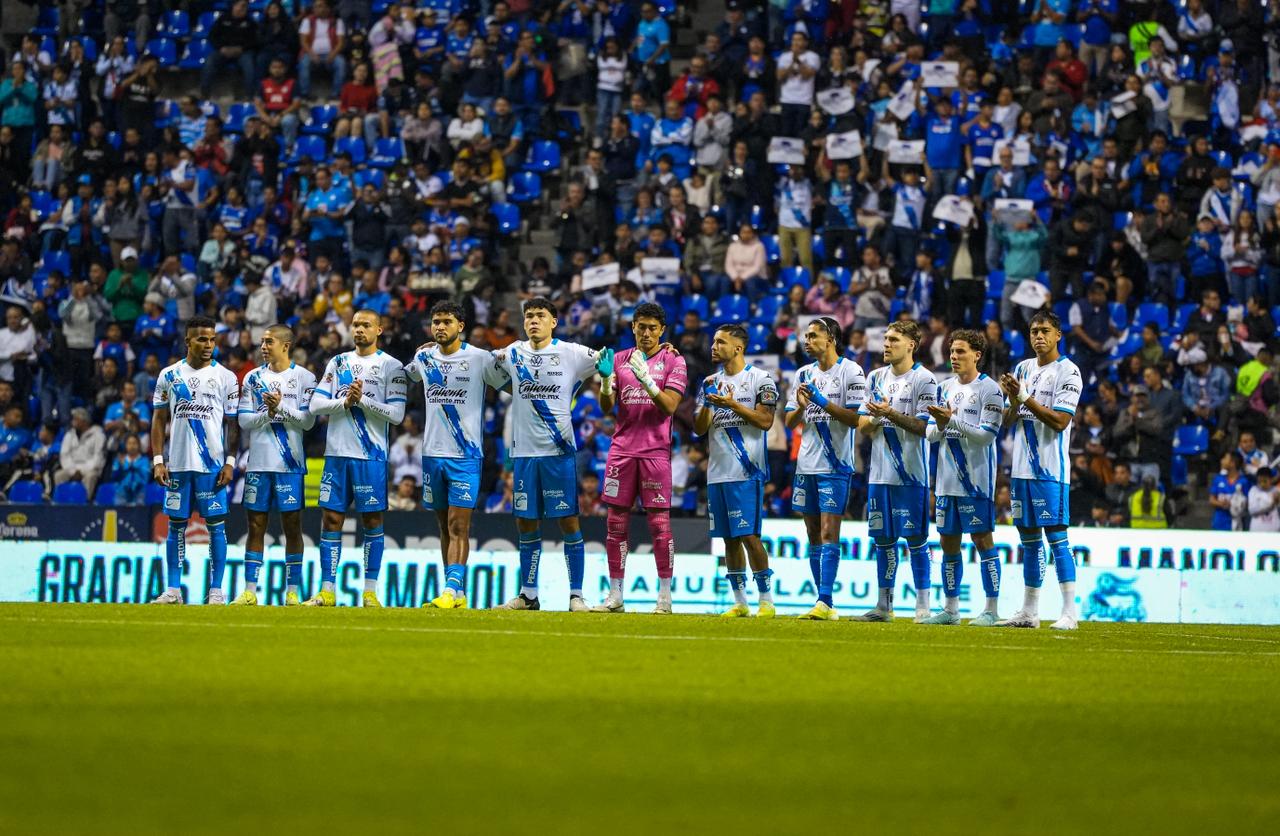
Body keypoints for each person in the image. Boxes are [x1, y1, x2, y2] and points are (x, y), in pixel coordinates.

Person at [493, 298, 613, 612]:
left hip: (558, 452)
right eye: (529, 316)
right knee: (526, 524)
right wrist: (434, 349)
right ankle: (529, 595)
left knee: (569, 523)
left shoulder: (571, 353)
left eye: (540, 316)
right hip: (522, 454)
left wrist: (657, 349)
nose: (533, 321)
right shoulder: (512, 352)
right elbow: (477, 359)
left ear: (553, 322)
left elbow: (610, 358)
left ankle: (576, 596)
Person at [404, 301, 505, 609]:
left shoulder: (479, 358)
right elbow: (405, 378)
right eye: (435, 322)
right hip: (431, 453)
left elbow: (508, 385)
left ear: (460, 326)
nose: (440, 327)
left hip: (466, 455)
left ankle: (451, 589)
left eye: (446, 321)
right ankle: (456, 592)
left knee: (458, 525)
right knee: (442, 525)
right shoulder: (424, 356)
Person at [306, 309, 408, 607]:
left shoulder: (392, 366)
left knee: (372, 520)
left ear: (379, 329)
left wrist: (361, 400)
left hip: (370, 456)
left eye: (366, 325)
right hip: (336, 454)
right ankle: (327, 589)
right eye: (356, 325)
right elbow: (315, 405)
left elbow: (398, 415)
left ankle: (370, 590)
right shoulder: (338, 362)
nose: (359, 329)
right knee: (331, 518)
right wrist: (345, 402)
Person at [593, 302, 688, 614]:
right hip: (621, 450)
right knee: (615, 523)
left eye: (652, 328)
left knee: (660, 525)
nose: (646, 333)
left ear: (662, 330)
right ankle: (616, 595)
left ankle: (664, 596)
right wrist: (607, 382)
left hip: (655, 453)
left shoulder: (674, 359)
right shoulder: (619, 358)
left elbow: (671, 406)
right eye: (641, 327)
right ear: (632, 327)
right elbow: (607, 408)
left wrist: (647, 380)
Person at [998, 311, 1082, 630]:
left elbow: (1061, 422)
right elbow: (1008, 420)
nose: (1038, 336)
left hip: (1050, 469)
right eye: (1033, 331)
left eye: (1045, 330)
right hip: (1021, 470)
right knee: (1029, 540)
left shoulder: (1069, 372)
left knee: (1057, 538)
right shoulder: (1023, 369)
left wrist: (1024, 397)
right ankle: (1029, 612)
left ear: (1058, 334)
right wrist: (1012, 400)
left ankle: (1069, 613)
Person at [149, 317, 241, 605]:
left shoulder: (226, 377)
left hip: (211, 465)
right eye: (202, 339)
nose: (209, 345)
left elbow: (233, 423)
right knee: (176, 525)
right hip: (177, 464)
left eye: (212, 339)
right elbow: (159, 419)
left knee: (216, 527)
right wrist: (158, 460)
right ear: (188, 341)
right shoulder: (169, 375)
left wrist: (229, 461)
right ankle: (173, 590)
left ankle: (216, 591)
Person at [855, 320, 938, 623]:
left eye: (893, 340)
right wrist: (877, 418)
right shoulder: (875, 377)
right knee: (883, 541)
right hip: (879, 475)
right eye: (885, 339)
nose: (886, 345)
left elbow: (924, 427)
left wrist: (890, 412)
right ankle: (883, 606)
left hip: (912, 475)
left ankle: (922, 607)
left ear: (911, 345)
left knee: (916, 540)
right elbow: (862, 425)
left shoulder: (925, 380)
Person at [694, 324, 778, 618]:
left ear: (738, 348)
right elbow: (699, 428)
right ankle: (740, 602)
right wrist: (708, 403)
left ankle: (766, 600)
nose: (713, 347)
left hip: (747, 471)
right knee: (728, 538)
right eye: (714, 342)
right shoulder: (709, 382)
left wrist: (731, 404)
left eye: (720, 342)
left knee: (750, 536)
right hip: (717, 473)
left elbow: (765, 421)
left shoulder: (761, 380)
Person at [785, 317, 867, 621]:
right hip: (806, 464)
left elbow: (855, 419)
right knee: (812, 533)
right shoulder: (802, 374)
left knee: (830, 530)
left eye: (813, 335)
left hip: (835, 464)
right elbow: (790, 422)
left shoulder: (852, 371)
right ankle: (822, 601)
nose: (807, 341)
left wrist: (823, 401)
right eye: (806, 336)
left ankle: (825, 599)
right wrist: (804, 404)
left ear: (831, 338)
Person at [923, 330, 1007, 626]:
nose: (954, 357)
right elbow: (931, 434)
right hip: (946, 481)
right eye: (952, 351)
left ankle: (992, 609)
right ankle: (951, 609)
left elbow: (986, 437)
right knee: (948, 543)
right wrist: (942, 423)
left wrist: (951, 421)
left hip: (976, 480)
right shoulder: (944, 387)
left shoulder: (991, 390)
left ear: (977, 355)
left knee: (983, 540)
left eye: (960, 351)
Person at [233, 325, 317, 607]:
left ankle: (292, 592)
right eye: (262, 342)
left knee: (292, 527)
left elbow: (308, 422)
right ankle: (249, 591)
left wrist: (279, 408)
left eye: (269, 341)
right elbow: (243, 421)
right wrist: (267, 413)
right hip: (258, 463)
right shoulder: (253, 378)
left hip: (290, 464)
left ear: (286, 345)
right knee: (256, 526)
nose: (264, 346)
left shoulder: (305, 377)